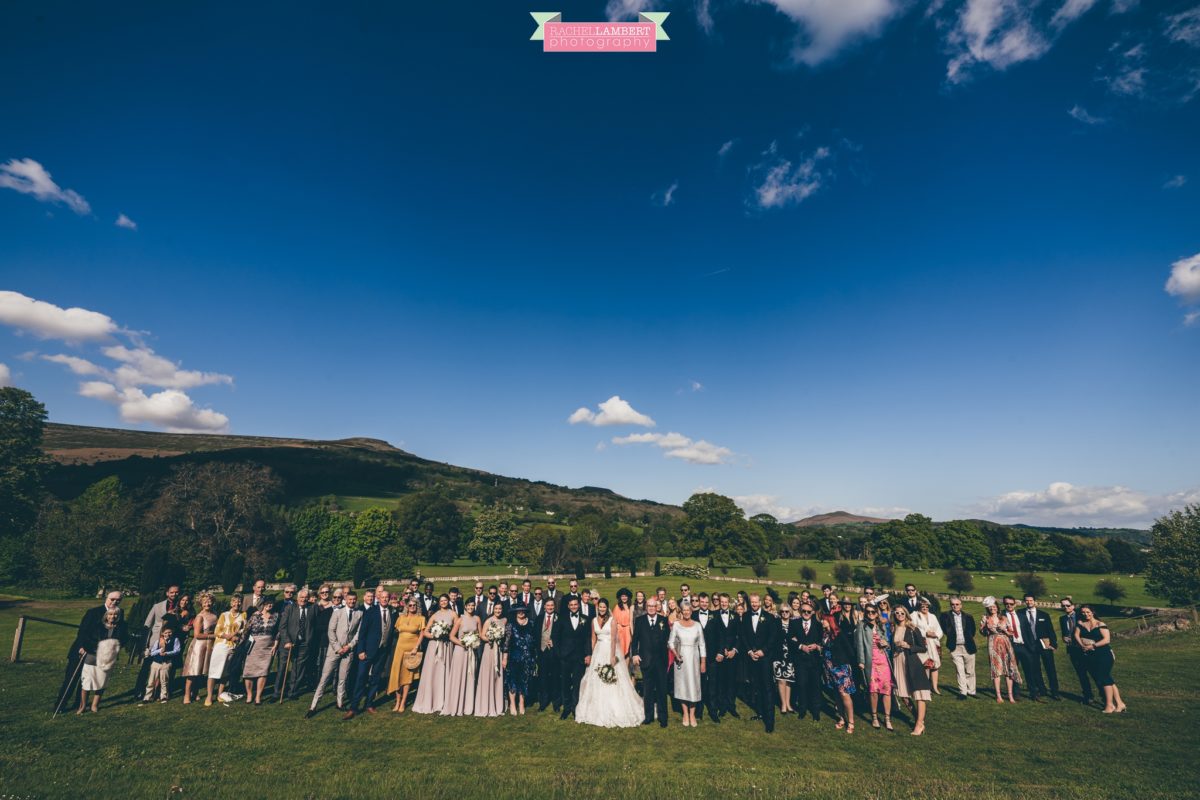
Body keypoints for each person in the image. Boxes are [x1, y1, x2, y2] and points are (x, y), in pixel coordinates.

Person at [56, 590, 123, 712]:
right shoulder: (93, 612)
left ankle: (79, 704)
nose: (115, 601)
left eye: (118, 600)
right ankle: (60, 706)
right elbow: (82, 631)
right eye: (112, 599)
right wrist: (82, 647)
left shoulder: (119, 613)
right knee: (71, 679)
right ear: (107, 598)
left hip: (99, 655)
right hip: (82, 650)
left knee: (86, 681)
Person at [307, 591, 361, 717]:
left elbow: (358, 633)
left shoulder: (359, 614)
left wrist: (350, 646)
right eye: (350, 599)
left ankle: (340, 703)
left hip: (348, 651)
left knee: (343, 678)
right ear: (346, 600)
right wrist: (338, 648)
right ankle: (313, 706)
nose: (352, 601)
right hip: (334, 650)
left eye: (354, 599)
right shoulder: (337, 613)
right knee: (324, 678)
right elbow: (331, 632)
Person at [346, 589, 393, 718]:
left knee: (375, 679)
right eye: (382, 597)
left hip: (382, 652)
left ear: (389, 599)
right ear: (379, 598)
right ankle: (354, 707)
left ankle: (369, 704)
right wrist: (360, 650)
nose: (384, 599)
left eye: (386, 597)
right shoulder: (371, 612)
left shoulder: (392, 613)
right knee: (361, 679)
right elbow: (362, 633)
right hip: (367, 652)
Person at [1074, 604, 1126, 713]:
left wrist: (1092, 646)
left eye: (1088, 612)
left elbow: (1107, 640)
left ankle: (1109, 705)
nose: (1086, 614)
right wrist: (1081, 645)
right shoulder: (1080, 624)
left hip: (1104, 654)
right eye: (1083, 612)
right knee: (1107, 678)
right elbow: (1076, 635)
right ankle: (1120, 704)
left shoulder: (1100, 624)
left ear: (1092, 612)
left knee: (1103, 677)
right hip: (1091, 656)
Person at [740, 593, 779, 733]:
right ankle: (760, 712)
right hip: (752, 658)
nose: (754, 605)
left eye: (756, 602)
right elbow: (743, 635)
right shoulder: (745, 616)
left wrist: (763, 651)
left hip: (765, 658)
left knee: (767, 688)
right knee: (756, 687)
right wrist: (750, 651)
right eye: (752, 602)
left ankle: (770, 721)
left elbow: (773, 637)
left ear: (760, 602)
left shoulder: (769, 618)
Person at [630, 597, 671, 727]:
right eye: (649, 606)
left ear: (657, 606)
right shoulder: (640, 620)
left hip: (661, 661)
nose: (651, 608)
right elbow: (635, 640)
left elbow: (669, 640)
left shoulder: (663, 620)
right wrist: (635, 654)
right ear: (646, 607)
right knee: (647, 691)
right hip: (646, 660)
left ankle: (663, 717)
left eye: (654, 606)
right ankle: (648, 717)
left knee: (661, 690)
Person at [77, 607, 125, 714]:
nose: (113, 617)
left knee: (101, 681)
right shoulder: (97, 626)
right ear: (106, 615)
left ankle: (95, 705)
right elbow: (87, 639)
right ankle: (83, 706)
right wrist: (95, 647)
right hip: (93, 655)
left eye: (115, 614)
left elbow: (123, 642)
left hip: (107, 659)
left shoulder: (121, 628)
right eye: (110, 614)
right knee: (87, 681)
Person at [892, 606, 931, 735]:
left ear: (906, 614)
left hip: (912, 662)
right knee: (903, 695)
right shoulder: (893, 628)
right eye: (897, 613)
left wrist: (908, 646)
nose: (899, 615)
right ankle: (918, 718)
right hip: (898, 662)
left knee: (919, 694)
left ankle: (919, 725)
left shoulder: (913, 629)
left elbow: (922, 648)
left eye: (902, 613)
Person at [668, 600, 707, 727]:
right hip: (681, 660)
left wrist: (703, 662)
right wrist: (676, 654)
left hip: (694, 659)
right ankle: (685, 713)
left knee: (694, 685)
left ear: (691, 611)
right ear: (681, 611)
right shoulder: (676, 625)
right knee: (682, 686)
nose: (686, 612)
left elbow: (702, 645)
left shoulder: (697, 625)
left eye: (688, 610)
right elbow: (670, 642)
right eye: (684, 610)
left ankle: (692, 714)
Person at [856, 603, 894, 730]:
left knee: (887, 689)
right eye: (868, 612)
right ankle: (874, 717)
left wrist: (886, 643)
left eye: (873, 612)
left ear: (877, 613)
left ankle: (887, 719)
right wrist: (861, 661)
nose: (870, 614)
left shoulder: (881, 625)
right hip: (870, 660)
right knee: (873, 690)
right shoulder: (862, 625)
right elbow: (860, 644)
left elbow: (887, 642)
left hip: (883, 660)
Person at [824, 598, 857, 733]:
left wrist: (848, 666)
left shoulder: (839, 634)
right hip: (829, 667)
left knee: (844, 694)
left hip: (841, 667)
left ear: (830, 621)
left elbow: (849, 651)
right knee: (836, 694)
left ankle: (851, 721)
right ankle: (842, 718)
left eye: (824, 620)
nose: (822, 622)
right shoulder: (824, 634)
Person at [1017, 594, 1059, 701]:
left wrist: (1053, 644)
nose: (1029, 602)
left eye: (1031, 600)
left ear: (1035, 601)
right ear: (1024, 602)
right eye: (1027, 600)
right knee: (1035, 668)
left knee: (1050, 668)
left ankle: (1055, 692)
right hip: (1030, 645)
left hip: (1044, 644)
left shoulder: (1044, 615)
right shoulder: (1020, 614)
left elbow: (1050, 630)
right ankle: (1042, 689)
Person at [441, 597, 478, 716]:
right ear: (466, 606)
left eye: (473, 606)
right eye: (469, 606)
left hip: (472, 652)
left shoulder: (477, 619)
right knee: (458, 676)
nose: (471, 608)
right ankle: (455, 704)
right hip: (460, 651)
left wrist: (474, 642)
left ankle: (468, 705)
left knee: (470, 676)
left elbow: (480, 635)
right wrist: (463, 643)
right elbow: (451, 636)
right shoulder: (460, 619)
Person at [389, 596, 426, 712]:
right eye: (410, 605)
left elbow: (422, 634)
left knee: (407, 676)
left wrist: (416, 647)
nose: (412, 607)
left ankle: (403, 703)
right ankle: (397, 701)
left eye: (414, 605)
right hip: (399, 649)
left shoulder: (421, 618)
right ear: (407, 606)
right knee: (397, 674)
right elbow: (394, 631)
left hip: (411, 650)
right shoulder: (401, 618)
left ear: (417, 606)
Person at [207, 594, 246, 706]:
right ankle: (209, 696)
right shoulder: (224, 615)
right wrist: (228, 636)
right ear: (231, 603)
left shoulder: (243, 615)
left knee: (225, 671)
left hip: (233, 646)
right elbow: (217, 631)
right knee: (215, 670)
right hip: (221, 645)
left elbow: (243, 630)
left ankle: (220, 695)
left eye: (239, 602)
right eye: (234, 601)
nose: (237, 604)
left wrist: (237, 637)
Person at [980, 596, 1020, 704]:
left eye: (994, 607)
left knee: (1008, 670)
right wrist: (983, 626)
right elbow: (983, 633)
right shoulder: (986, 618)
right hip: (993, 644)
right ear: (988, 609)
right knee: (996, 669)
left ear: (997, 607)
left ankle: (1010, 696)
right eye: (990, 607)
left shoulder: (1004, 618)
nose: (992, 609)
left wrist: (1005, 630)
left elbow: (1012, 633)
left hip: (1005, 643)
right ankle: (998, 696)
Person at [241, 597, 279, 705]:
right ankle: (249, 695)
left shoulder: (276, 616)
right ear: (263, 604)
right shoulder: (255, 615)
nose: (269, 605)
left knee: (263, 672)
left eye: (271, 603)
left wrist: (276, 644)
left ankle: (258, 696)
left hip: (268, 646)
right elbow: (246, 630)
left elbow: (278, 631)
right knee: (249, 672)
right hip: (253, 646)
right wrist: (242, 644)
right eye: (267, 603)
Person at [790, 601, 823, 721]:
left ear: (813, 612)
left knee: (815, 686)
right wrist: (800, 646)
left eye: (809, 611)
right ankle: (802, 709)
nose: (806, 613)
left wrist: (816, 646)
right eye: (803, 611)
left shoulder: (818, 625)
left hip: (814, 660)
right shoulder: (794, 623)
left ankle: (816, 711)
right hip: (800, 660)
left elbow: (822, 641)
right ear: (800, 611)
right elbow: (790, 639)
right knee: (801, 684)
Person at [182, 592, 218, 704]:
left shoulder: (215, 615)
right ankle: (187, 695)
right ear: (201, 603)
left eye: (209, 601)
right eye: (205, 602)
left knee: (202, 671)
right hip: (199, 645)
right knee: (193, 671)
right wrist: (213, 636)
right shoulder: (199, 617)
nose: (207, 603)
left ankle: (195, 692)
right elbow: (197, 635)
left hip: (210, 645)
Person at [474, 598, 507, 717]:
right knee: (488, 675)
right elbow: (482, 635)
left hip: (499, 651)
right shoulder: (488, 621)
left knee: (497, 676)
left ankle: (498, 705)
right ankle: (486, 704)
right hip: (489, 650)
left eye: (500, 609)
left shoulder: (504, 620)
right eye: (496, 609)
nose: (498, 610)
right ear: (493, 609)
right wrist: (492, 638)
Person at [1059, 597, 1095, 705]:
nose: (1065, 607)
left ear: (1073, 606)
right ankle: (1088, 696)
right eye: (1063, 606)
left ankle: (1104, 696)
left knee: (1094, 673)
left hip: (1086, 648)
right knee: (1081, 674)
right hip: (1073, 650)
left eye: (1068, 605)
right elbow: (1065, 633)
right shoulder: (1062, 619)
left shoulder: (1082, 616)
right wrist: (1064, 638)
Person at [941, 596, 977, 699]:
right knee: (959, 670)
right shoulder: (945, 616)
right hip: (954, 647)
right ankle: (963, 692)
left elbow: (973, 631)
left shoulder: (968, 617)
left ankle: (971, 691)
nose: (955, 606)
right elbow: (944, 629)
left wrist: (968, 638)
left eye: (957, 604)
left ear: (961, 605)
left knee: (970, 670)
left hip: (968, 646)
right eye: (953, 604)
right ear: (950, 605)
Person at [711, 593, 740, 718]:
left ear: (729, 602)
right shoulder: (714, 615)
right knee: (720, 681)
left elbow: (739, 635)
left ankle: (731, 706)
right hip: (720, 654)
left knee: (731, 681)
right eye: (721, 601)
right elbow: (713, 637)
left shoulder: (735, 616)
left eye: (725, 601)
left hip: (732, 655)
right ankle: (721, 706)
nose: (723, 603)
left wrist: (734, 650)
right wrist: (721, 651)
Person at [504, 605, 536, 715]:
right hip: (514, 656)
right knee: (512, 680)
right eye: (518, 611)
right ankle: (512, 704)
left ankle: (521, 703)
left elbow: (534, 641)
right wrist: (505, 658)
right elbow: (507, 642)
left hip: (527, 657)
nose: (521, 612)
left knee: (524, 680)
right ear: (515, 612)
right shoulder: (510, 624)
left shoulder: (531, 623)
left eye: (522, 610)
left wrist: (534, 657)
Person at [912, 597, 944, 694]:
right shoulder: (914, 615)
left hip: (934, 643)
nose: (925, 608)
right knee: (926, 664)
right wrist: (925, 633)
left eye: (926, 606)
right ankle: (926, 687)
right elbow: (913, 627)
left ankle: (934, 687)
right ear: (919, 606)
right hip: (923, 643)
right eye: (922, 606)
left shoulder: (932, 616)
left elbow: (939, 629)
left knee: (935, 665)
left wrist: (936, 635)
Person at [143, 625, 182, 703]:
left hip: (166, 663)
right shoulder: (158, 641)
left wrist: (167, 653)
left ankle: (163, 696)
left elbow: (177, 650)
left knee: (164, 681)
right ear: (162, 633)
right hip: (156, 663)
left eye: (169, 632)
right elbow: (152, 653)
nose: (168, 634)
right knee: (151, 681)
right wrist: (160, 650)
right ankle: (147, 697)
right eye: (166, 633)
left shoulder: (175, 640)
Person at [536, 597, 561, 711]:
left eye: (552, 605)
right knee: (543, 678)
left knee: (555, 678)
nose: (550, 607)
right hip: (542, 652)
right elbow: (536, 634)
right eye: (548, 605)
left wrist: (555, 642)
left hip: (554, 653)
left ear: (554, 607)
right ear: (544, 607)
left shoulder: (559, 618)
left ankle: (556, 703)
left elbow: (564, 636)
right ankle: (543, 702)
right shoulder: (539, 618)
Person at [773, 605, 795, 714]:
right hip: (778, 654)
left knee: (789, 680)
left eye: (787, 611)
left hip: (790, 655)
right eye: (782, 611)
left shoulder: (794, 623)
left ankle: (788, 704)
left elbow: (796, 637)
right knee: (781, 680)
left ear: (790, 612)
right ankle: (783, 704)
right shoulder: (776, 623)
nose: (784, 613)